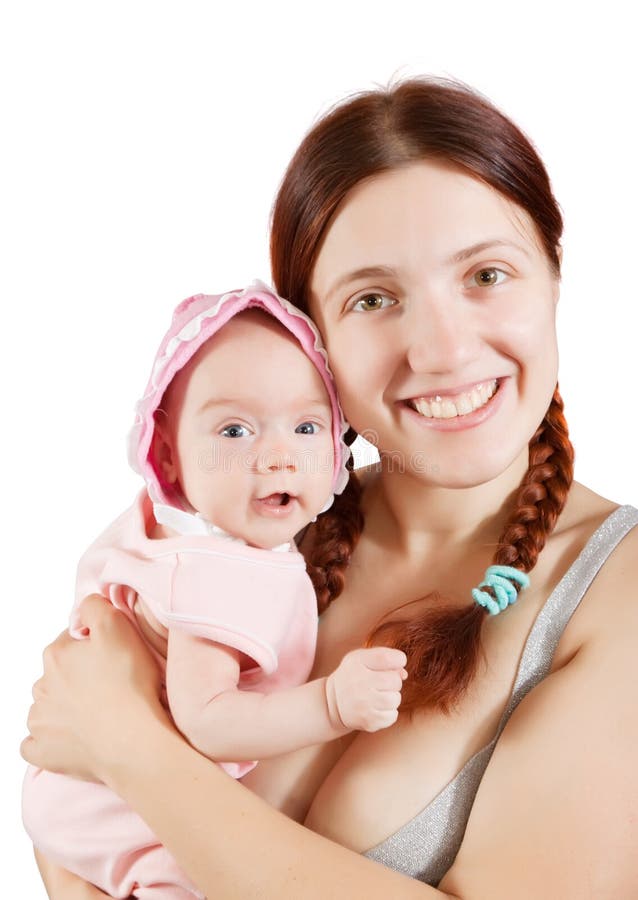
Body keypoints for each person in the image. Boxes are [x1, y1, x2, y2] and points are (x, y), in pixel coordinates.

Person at [22, 78, 638, 899]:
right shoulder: (253, 527)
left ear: (554, 277)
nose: (443, 350)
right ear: (310, 339)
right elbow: (69, 823)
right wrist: (109, 753)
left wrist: (131, 746)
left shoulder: (611, 591)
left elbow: (98, 732)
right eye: (374, 299)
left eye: (487, 275)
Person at [21, 283, 407, 899]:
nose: (279, 455)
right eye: (234, 432)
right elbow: (210, 723)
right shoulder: (216, 576)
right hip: (118, 811)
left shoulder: (185, 539)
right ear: (169, 459)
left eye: (307, 426)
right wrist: (331, 704)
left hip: (81, 793)